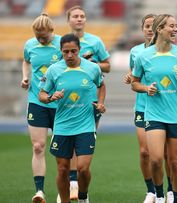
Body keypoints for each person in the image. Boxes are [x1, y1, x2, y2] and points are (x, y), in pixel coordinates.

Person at [131, 14, 177, 203]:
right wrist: (146, 88)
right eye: (171, 26)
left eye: (176, 26)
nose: (175, 29)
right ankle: (159, 195)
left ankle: (175, 198)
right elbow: (134, 83)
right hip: (154, 114)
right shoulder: (143, 56)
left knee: (175, 162)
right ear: (159, 29)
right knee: (156, 159)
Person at [39, 33, 105, 203]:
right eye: (65, 51)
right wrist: (51, 98)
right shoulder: (54, 70)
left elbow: (101, 85)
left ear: (79, 50)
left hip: (85, 125)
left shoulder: (92, 68)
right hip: (62, 126)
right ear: (60, 51)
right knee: (62, 169)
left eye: (73, 51)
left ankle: (83, 196)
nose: (69, 55)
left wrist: (100, 103)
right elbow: (42, 94)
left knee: (83, 169)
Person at [57, 6, 111, 202]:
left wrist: (90, 62)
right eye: (75, 16)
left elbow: (108, 66)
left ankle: (78, 182)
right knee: (67, 143)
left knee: (83, 143)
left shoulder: (95, 41)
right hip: (68, 99)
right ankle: (70, 183)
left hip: (91, 98)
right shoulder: (61, 42)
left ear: (85, 19)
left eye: (82, 16)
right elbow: (58, 66)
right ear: (69, 20)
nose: (79, 19)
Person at [21, 13, 62, 203]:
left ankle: (65, 189)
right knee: (38, 147)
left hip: (60, 103)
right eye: (37, 36)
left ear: (51, 31)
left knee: (61, 149)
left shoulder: (62, 44)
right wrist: (26, 76)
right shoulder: (30, 45)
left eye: (43, 36)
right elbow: (26, 60)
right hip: (37, 101)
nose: (40, 39)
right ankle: (39, 192)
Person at [123, 14, 158, 203]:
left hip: (162, 106)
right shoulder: (135, 51)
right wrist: (129, 77)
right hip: (142, 106)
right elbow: (133, 72)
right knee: (145, 152)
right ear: (142, 28)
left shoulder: (165, 51)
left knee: (163, 154)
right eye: (147, 26)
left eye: (154, 26)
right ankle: (151, 191)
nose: (150, 29)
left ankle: (167, 191)